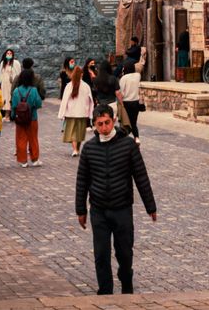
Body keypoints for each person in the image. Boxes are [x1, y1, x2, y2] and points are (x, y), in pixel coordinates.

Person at [76, 104, 157, 296]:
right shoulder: (88, 149)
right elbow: (82, 181)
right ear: (94, 125)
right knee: (101, 254)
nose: (104, 127)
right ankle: (105, 291)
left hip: (122, 209)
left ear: (113, 121)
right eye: (99, 124)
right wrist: (81, 210)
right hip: (99, 210)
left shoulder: (128, 145)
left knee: (124, 252)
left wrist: (150, 206)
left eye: (107, 123)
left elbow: (141, 177)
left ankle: (126, 282)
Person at [11, 66, 43, 167]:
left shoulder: (16, 91)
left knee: (21, 139)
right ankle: (34, 159)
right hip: (32, 117)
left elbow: (14, 105)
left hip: (20, 118)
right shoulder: (33, 90)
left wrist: (13, 116)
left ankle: (23, 160)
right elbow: (38, 104)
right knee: (33, 138)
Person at [59, 65, 94, 156]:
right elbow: (91, 101)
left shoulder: (69, 86)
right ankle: (76, 149)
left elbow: (64, 100)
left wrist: (62, 113)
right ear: (81, 75)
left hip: (71, 113)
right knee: (79, 133)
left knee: (73, 132)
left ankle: (75, 149)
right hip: (82, 113)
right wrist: (90, 113)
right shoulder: (86, 86)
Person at [120, 61, 142, 142]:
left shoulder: (124, 78)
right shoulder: (138, 76)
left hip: (126, 102)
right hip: (136, 102)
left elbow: (121, 92)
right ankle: (136, 138)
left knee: (125, 122)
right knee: (133, 122)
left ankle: (124, 139)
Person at [0, 48, 22, 117]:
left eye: (10, 53)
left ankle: (10, 115)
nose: (9, 55)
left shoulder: (16, 63)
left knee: (10, 98)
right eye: (7, 53)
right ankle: (5, 114)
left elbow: (18, 73)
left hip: (11, 84)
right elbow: (0, 74)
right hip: (4, 84)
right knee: (4, 98)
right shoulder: (3, 63)